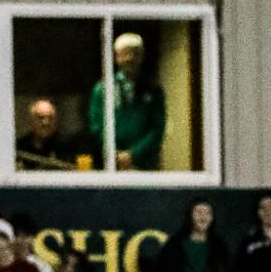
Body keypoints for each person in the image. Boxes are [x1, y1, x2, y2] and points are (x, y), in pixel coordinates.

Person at [89, 31, 166, 171]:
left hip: (145, 165)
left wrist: (132, 154)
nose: (130, 58)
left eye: (135, 53)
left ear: (142, 56)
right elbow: (97, 126)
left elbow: (157, 129)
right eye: (125, 53)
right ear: (117, 57)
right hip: (112, 164)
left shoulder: (154, 89)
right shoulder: (102, 88)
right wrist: (115, 154)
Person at [16, 98, 76, 172]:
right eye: (40, 118)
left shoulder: (67, 146)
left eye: (50, 118)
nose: (46, 122)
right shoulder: (19, 147)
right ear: (30, 121)